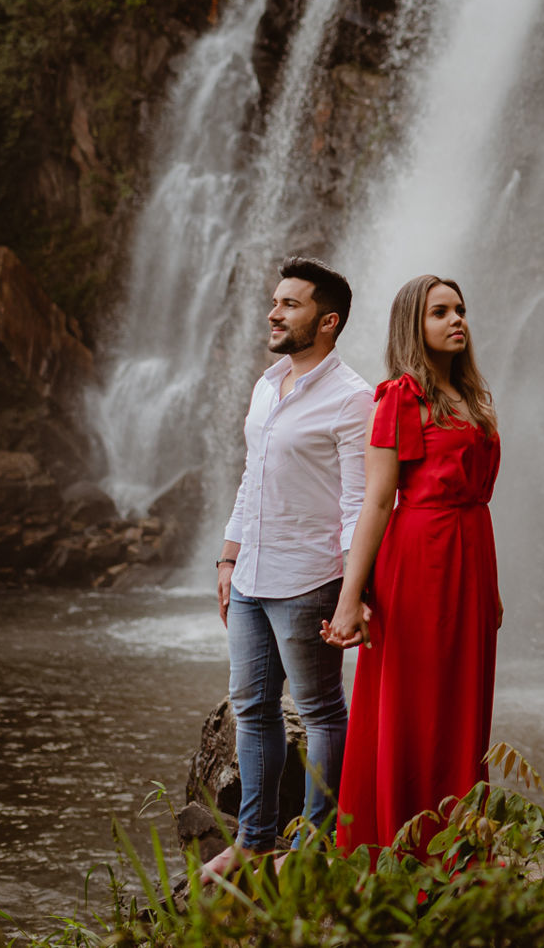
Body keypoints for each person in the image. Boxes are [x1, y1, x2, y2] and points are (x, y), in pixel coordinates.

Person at [322, 274, 503, 852]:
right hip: (420, 556)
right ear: (412, 326)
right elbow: (378, 500)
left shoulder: (471, 399)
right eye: (439, 313)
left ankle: (459, 841)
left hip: (471, 553)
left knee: (462, 701)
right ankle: (404, 845)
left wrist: (491, 590)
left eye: (461, 310)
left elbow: (477, 493)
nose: (457, 321)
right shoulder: (401, 396)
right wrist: (350, 599)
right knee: (416, 701)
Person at [206, 256, 374, 876]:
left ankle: (310, 851)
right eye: (275, 302)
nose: (274, 313)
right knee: (252, 707)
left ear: (327, 321)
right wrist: (229, 555)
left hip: (310, 579)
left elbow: (360, 504)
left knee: (324, 712)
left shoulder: (354, 400)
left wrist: (351, 594)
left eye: (290, 304)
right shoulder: (266, 383)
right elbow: (254, 477)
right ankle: (253, 839)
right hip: (251, 575)